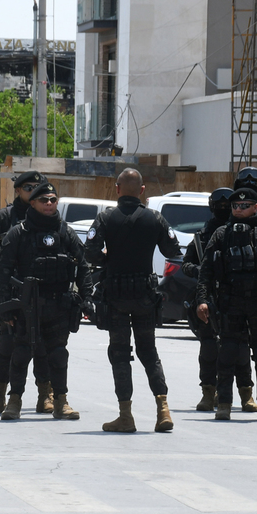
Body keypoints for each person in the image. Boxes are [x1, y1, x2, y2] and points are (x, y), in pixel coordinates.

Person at [84, 167, 183, 433]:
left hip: (116, 296)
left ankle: (125, 416)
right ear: (142, 190)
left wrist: (110, 260)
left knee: (119, 354)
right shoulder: (155, 218)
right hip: (144, 296)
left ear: (117, 189)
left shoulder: (106, 218)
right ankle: (163, 410)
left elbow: (90, 252)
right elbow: (172, 250)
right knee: (148, 352)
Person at [195, 185, 257, 421]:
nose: (238, 209)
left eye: (244, 206)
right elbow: (206, 271)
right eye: (235, 206)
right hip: (231, 301)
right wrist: (202, 300)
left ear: (255, 207)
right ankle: (224, 404)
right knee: (227, 353)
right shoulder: (222, 234)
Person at [0, 180, 88, 421]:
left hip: (59, 305)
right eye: (44, 200)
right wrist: (4, 308)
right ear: (33, 203)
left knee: (58, 355)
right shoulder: (19, 233)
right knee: (21, 354)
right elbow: (3, 272)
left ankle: (60, 401)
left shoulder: (65, 232)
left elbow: (83, 266)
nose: (49, 204)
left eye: (53, 200)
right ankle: (14, 401)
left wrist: (86, 298)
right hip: (26, 306)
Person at [0, 171, 51, 414]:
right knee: (7, 343)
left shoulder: (47, 216)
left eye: (38, 186)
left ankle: (47, 394)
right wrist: (1, 265)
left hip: (41, 291)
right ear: (18, 190)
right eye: (28, 187)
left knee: (44, 345)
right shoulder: (4, 217)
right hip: (12, 288)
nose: (34, 191)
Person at [183, 187, 257, 413]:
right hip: (209, 296)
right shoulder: (204, 235)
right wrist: (201, 271)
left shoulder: (243, 232)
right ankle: (208, 392)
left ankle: (246, 393)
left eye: (229, 205)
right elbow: (186, 264)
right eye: (220, 205)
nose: (225, 209)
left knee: (241, 348)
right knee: (209, 348)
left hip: (235, 297)